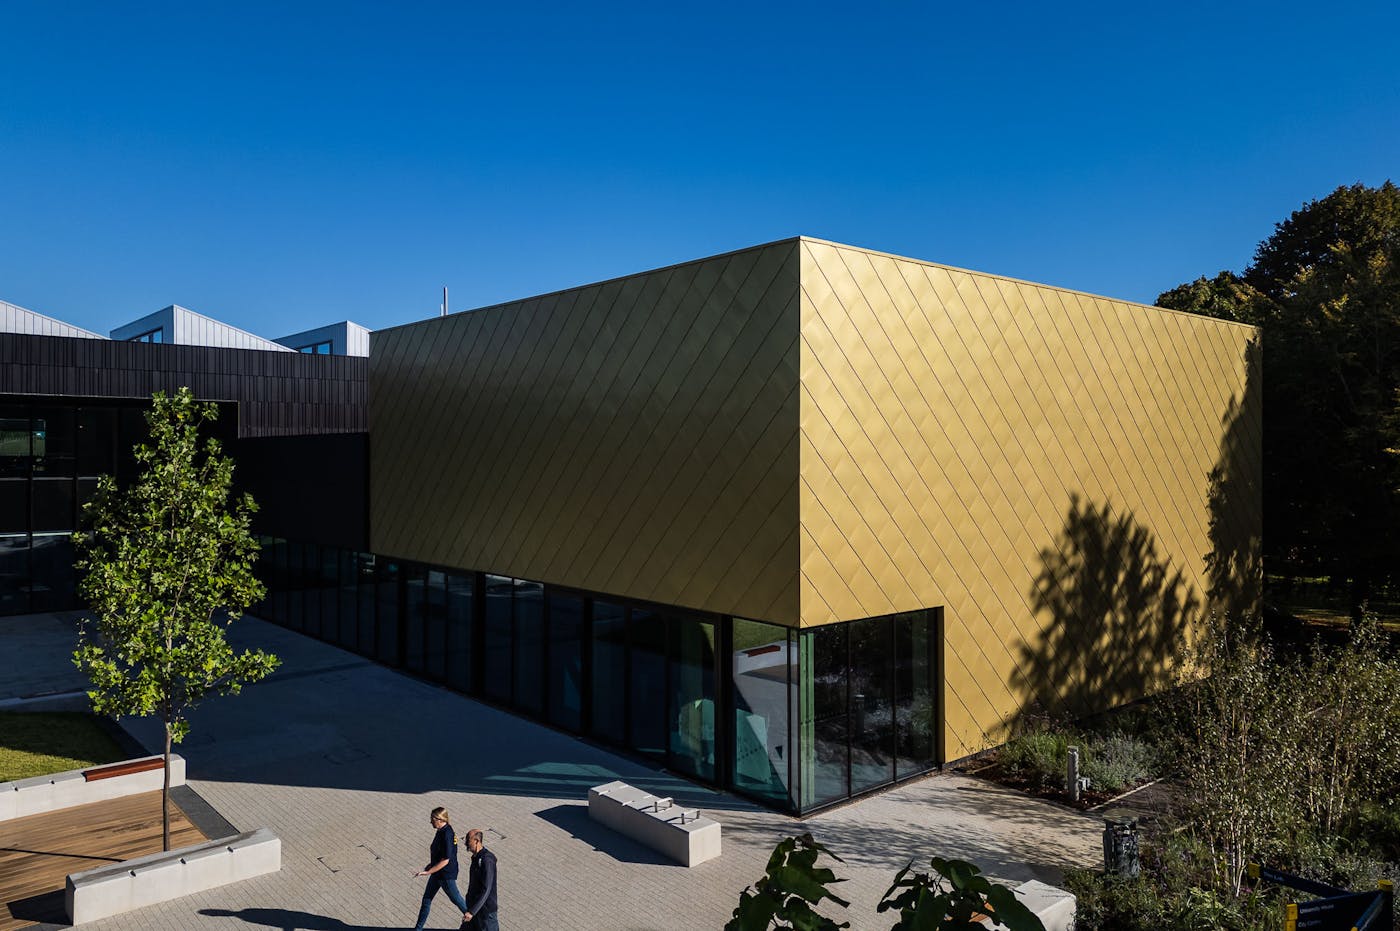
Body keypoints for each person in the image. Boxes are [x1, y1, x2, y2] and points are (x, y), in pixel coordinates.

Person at [412, 806, 468, 931]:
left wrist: (428, 872)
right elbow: (440, 854)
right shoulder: (441, 830)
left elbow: (446, 860)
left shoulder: (447, 834)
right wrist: (431, 865)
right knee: (426, 900)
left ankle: (475, 920)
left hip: (445, 875)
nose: (430, 821)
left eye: (432, 819)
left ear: (440, 819)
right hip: (437, 872)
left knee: (456, 899)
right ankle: (418, 929)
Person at [460, 828, 498, 931]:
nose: (466, 843)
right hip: (474, 908)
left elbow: (486, 888)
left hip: (485, 912)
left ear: (476, 841)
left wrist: (472, 911)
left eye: (468, 840)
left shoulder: (487, 860)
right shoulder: (476, 857)